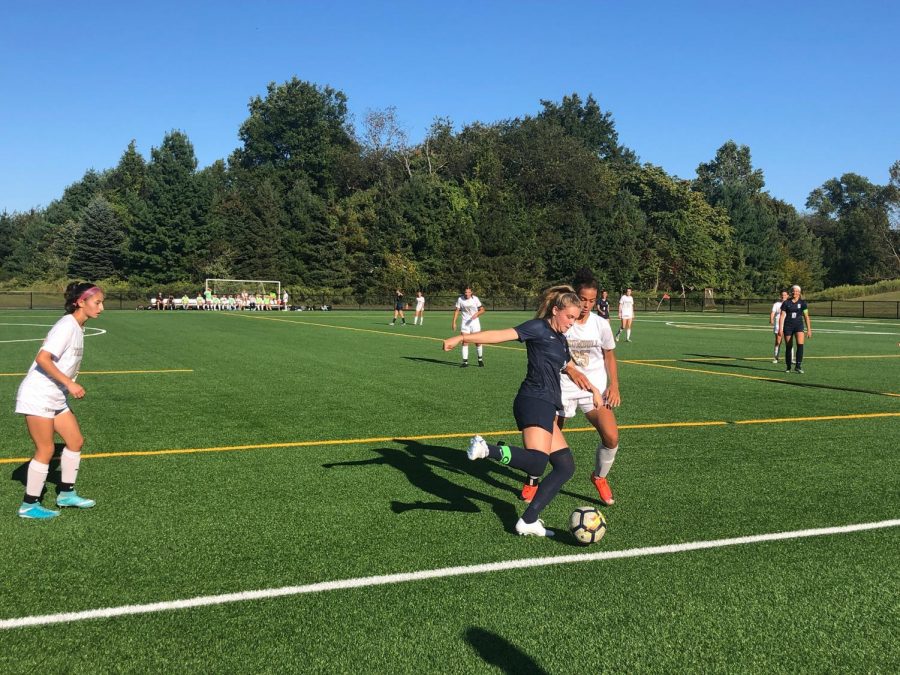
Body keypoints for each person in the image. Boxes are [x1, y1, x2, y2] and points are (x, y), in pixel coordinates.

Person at [443, 286, 602, 537]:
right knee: (537, 463)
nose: (572, 323)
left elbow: (568, 366)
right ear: (556, 310)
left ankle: (528, 520)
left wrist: (592, 388)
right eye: (569, 317)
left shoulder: (560, 339)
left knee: (564, 466)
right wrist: (463, 338)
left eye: (575, 318)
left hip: (547, 404)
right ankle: (487, 449)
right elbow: (500, 335)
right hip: (533, 399)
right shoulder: (538, 328)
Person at [521, 269, 621, 507]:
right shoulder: (563, 320)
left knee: (611, 437)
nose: (586, 305)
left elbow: (609, 356)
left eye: (591, 300)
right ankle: (533, 478)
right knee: (544, 441)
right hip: (560, 389)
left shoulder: (601, 325)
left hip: (592, 389)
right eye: (583, 299)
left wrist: (614, 385)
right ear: (574, 297)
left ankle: (599, 477)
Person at [15, 282, 104, 519]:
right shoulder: (67, 326)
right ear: (80, 302)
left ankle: (66, 494)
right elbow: (43, 358)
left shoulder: (77, 326)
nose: (101, 307)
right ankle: (29, 505)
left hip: (56, 396)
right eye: (97, 302)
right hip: (39, 394)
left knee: (75, 440)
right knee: (46, 449)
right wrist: (70, 383)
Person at [778, 284, 812, 374]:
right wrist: (780, 329)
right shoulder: (786, 303)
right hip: (788, 326)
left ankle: (798, 366)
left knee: (800, 345)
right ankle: (788, 366)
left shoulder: (803, 303)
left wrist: (809, 329)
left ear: (799, 293)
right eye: (793, 291)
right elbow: (782, 316)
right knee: (789, 346)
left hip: (799, 326)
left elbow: (806, 316)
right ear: (791, 292)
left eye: (797, 291)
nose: (795, 292)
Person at [452, 286, 486, 367]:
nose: (467, 294)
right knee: (465, 341)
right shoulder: (460, 299)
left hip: (475, 323)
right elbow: (457, 311)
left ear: (471, 292)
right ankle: (465, 362)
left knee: (478, 342)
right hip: (465, 323)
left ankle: (480, 360)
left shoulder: (475, 299)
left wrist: (477, 314)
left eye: (468, 292)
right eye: (465, 292)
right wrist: (454, 322)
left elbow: (483, 310)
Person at [770, 290, 789, 363]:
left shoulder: (790, 303)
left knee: (789, 342)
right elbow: (773, 313)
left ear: (787, 296)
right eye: (782, 295)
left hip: (788, 325)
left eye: (785, 295)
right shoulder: (777, 304)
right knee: (778, 341)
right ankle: (776, 357)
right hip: (778, 325)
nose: (783, 296)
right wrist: (771, 319)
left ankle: (791, 358)